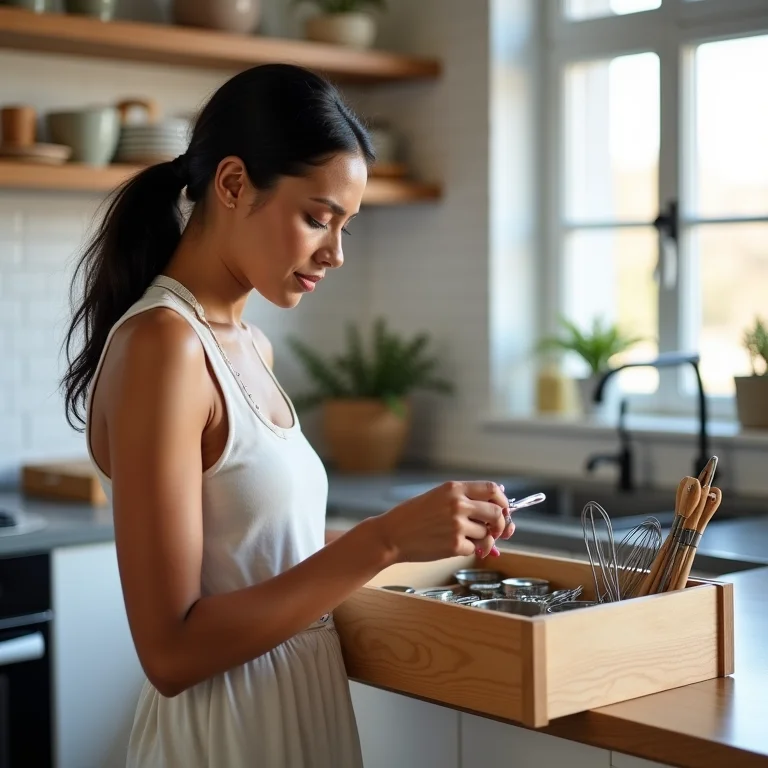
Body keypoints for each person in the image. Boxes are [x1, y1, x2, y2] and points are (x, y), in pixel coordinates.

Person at [61, 63, 515, 768]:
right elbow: (171, 651)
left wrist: (428, 530)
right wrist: (383, 542)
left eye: (346, 225)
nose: (335, 253)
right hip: (222, 739)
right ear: (235, 184)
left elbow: (258, 549)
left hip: (295, 714)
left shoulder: (251, 347)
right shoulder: (164, 348)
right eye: (317, 217)